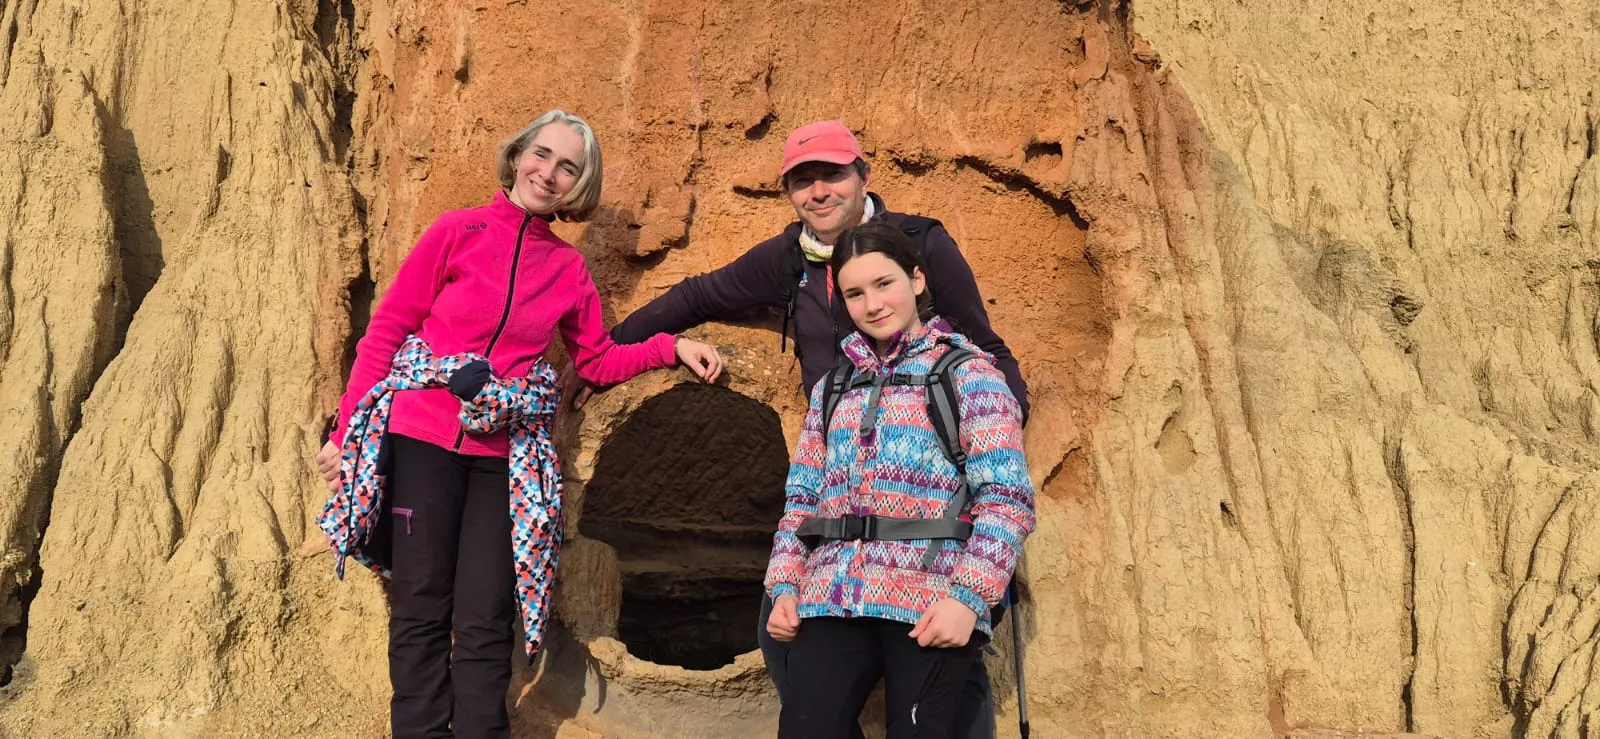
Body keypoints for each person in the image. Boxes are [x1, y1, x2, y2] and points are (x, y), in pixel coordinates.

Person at [581, 119, 1026, 737]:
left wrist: (998, 440)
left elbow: (987, 351)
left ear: (863, 177)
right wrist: (606, 357)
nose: (818, 191)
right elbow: (699, 295)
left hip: (930, 543)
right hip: (839, 537)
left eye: (832, 175)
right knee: (792, 664)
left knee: (950, 695)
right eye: (801, 181)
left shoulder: (922, 247)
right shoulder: (793, 271)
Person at [312, 109, 723, 739]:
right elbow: (387, 333)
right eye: (542, 155)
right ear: (517, 155)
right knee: (421, 604)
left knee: (485, 614)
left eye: (568, 167)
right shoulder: (456, 231)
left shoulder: (567, 270)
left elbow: (597, 359)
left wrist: (670, 348)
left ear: (579, 186)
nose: (549, 173)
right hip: (420, 436)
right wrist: (346, 433)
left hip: (503, 456)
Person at [764, 221, 1035, 739]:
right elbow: (801, 499)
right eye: (855, 293)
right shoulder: (832, 386)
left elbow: (1007, 501)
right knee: (805, 728)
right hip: (832, 593)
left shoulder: (969, 375)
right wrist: (784, 584)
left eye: (884, 283)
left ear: (916, 279)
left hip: (932, 597)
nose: (872, 305)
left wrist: (968, 600)